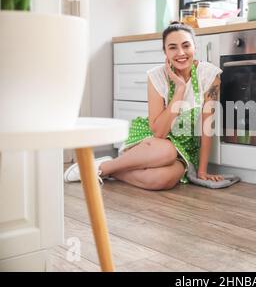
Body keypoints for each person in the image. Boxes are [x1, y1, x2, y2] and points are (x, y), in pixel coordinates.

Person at [64, 21, 224, 190]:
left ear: (195, 47)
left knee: (163, 180)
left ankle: (109, 169)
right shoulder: (156, 76)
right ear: (165, 52)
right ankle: (93, 170)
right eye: (173, 48)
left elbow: (207, 127)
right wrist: (180, 90)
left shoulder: (209, 75)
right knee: (166, 151)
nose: (181, 53)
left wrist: (201, 171)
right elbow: (159, 132)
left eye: (186, 46)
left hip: (185, 147)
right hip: (154, 140)